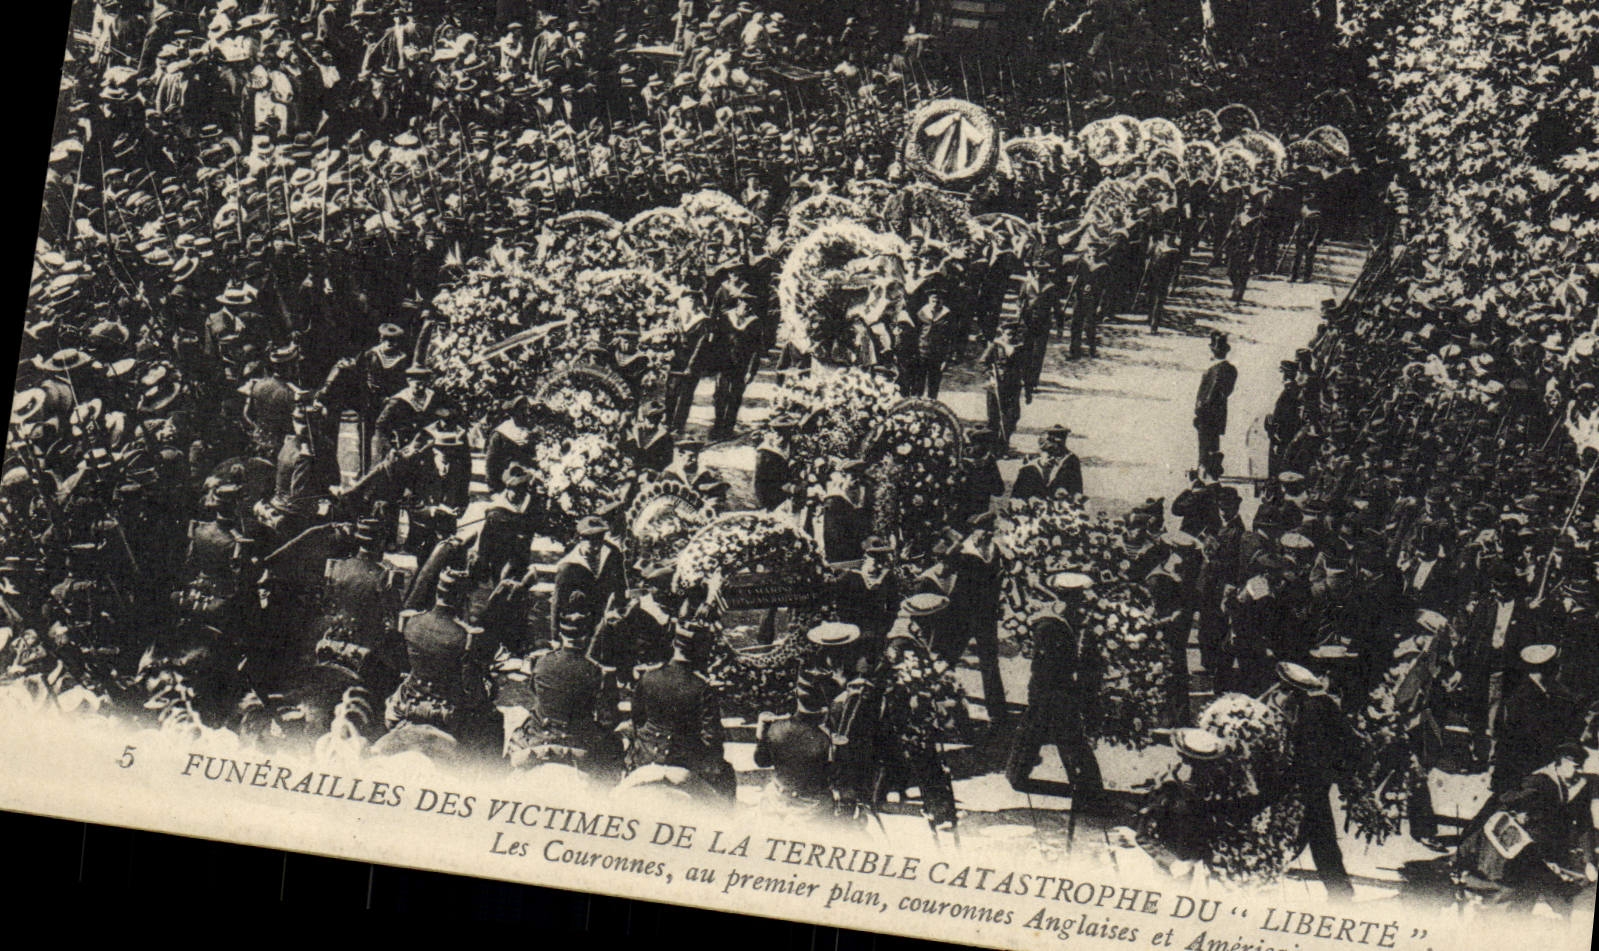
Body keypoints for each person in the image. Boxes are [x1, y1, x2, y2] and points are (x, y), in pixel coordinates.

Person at [1005, 571, 1109, 813]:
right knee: (1071, 741)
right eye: (1078, 598)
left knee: (1033, 731)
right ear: (1067, 598)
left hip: (1056, 689)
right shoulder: (1049, 626)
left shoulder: (1067, 616)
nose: (1082, 603)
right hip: (1052, 690)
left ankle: (1016, 773)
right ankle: (1090, 793)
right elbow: (1047, 667)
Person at [1274, 661, 1356, 899]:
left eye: (1283, 688)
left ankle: (1263, 873)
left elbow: (1305, 754)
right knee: (1320, 837)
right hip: (1319, 780)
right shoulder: (1323, 704)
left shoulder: (1305, 712)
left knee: (1310, 836)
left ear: (1292, 689)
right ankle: (1340, 890)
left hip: (1309, 781)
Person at [627, 623, 737, 800]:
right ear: (700, 650)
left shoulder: (648, 677)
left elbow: (637, 720)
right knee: (726, 779)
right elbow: (712, 738)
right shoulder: (702, 687)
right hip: (685, 763)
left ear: (674, 645)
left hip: (646, 757)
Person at [753, 668, 837, 819]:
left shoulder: (775, 727)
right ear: (825, 701)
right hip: (813, 810)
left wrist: (761, 735)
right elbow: (834, 776)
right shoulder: (825, 737)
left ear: (797, 695)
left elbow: (761, 761)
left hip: (777, 801)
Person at [1194, 331, 1237, 478]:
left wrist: (1200, 412)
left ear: (1213, 349)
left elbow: (1210, 395)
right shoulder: (1231, 369)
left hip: (1207, 413)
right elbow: (1227, 391)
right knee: (1214, 442)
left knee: (1204, 444)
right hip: (1219, 412)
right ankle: (1212, 471)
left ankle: (1203, 472)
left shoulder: (1215, 370)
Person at [1011, 423, 1083, 500]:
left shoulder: (1071, 459)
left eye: (1060, 437)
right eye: (1052, 437)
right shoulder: (1040, 457)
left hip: (1059, 499)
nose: (1056, 441)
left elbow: (1076, 486)